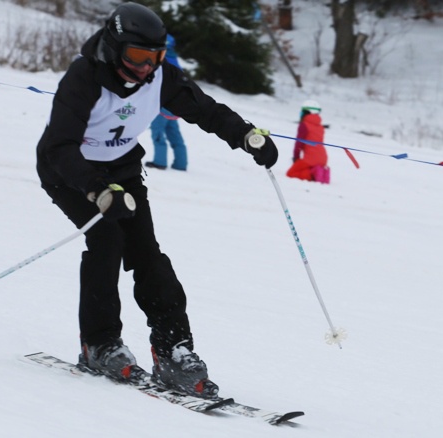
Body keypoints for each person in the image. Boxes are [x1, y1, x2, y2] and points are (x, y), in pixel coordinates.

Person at [35, 2, 278, 399]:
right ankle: (100, 343)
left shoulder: (160, 78)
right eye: (137, 57)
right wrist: (96, 190)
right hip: (69, 173)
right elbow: (61, 147)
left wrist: (247, 136)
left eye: (155, 57)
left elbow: (206, 111)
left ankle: (173, 350)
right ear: (115, 48)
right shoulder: (84, 77)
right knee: (107, 241)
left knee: (147, 253)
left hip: (122, 172)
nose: (146, 67)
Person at [146, 34, 187, 171]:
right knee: (174, 133)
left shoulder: (160, 60)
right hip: (176, 105)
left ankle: (160, 161)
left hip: (162, 104)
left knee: (158, 132)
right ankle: (181, 163)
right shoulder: (174, 58)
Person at [286, 100, 330, 184]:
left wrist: (296, 157)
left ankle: (313, 174)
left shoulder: (304, 125)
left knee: (290, 173)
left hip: (310, 159)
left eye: (303, 111)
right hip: (323, 158)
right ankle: (321, 172)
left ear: (306, 112)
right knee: (302, 168)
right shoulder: (320, 126)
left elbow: (299, 143)